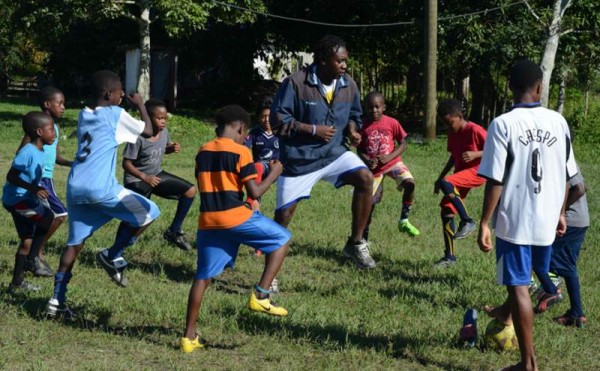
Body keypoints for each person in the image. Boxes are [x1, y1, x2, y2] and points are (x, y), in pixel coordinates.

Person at [477, 59, 577, 371]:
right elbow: (566, 174)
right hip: (547, 218)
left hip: (515, 220)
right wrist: (560, 213)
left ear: (509, 87)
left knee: (518, 286)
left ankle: (528, 364)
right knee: (528, 279)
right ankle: (508, 317)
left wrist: (483, 222)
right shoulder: (558, 122)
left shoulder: (502, 124)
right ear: (539, 87)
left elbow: (495, 179)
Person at [45, 70, 160, 318]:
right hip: (100, 187)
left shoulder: (84, 115)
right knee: (150, 212)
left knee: (74, 243)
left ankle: (56, 301)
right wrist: (140, 105)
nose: (122, 96)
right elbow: (149, 132)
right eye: (119, 92)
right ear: (109, 94)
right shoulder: (115, 114)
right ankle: (112, 255)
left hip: (76, 187)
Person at [181, 105, 290, 353]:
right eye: (244, 133)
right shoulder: (242, 151)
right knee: (282, 239)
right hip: (234, 216)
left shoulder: (202, 151)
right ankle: (261, 295)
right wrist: (273, 173)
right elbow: (255, 192)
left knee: (202, 277)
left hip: (208, 220)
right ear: (241, 128)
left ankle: (188, 337)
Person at [270, 34, 375, 269]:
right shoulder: (296, 83)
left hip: (333, 153)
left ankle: (356, 244)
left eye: (345, 61)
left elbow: (355, 115)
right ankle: (270, 277)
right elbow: (278, 121)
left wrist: (352, 129)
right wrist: (312, 129)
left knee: (365, 178)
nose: (345, 66)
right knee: (283, 218)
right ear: (324, 60)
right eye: (340, 61)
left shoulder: (348, 84)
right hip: (300, 160)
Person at [122, 98, 196, 251]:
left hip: (156, 175)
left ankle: (174, 231)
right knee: (139, 216)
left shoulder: (164, 133)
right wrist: (144, 177)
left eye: (165, 118)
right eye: (159, 118)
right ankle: (124, 243)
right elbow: (126, 164)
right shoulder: (138, 137)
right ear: (148, 118)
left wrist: (171, 148)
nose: (163, 122)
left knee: (190, 191)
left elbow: (162, 149)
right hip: (136, 179)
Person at [17, 87, 72, 277]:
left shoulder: (52, 128)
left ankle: (34, 249)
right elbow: (21, 153)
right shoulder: (38, 126)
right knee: (59, 213)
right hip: (39, 179)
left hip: (47, 178)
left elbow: (56, 156)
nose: (63, 107)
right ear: (48, 104)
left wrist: (72, 163)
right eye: (60, 103)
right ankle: (37, 251)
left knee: (52, 216)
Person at [3, 112, 56, 292]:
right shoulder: (28, 152)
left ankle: (16, 283)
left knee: (27, 240)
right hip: (17, 200)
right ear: (40, 131)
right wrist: (33, 189)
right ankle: (33, 260)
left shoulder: (40, 150)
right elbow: (11, 175)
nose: (54, 133)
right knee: (47, 216)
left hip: (23, 198)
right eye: (51, 129)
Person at [357, 91, 419, 240]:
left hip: (393, 163)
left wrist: (390, 156)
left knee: (410, 183)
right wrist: (367, 160)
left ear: (384, 107)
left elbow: (403, 143)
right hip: (374, 170)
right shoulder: (363, 126)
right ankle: (363, 238)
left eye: (377, 107)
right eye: (370, 107)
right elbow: (359, 148)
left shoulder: (392, 122)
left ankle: (404, 219)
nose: (374, 111)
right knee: (369, 205)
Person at [533, 162, 589, 326]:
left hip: (571, 221)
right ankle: (576, 313)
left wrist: (560, 213)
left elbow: (580, 188)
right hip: (578, 221)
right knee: (566, 265)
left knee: (538, 257)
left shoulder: (563, 160)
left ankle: (551, 291)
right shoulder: (565, 159)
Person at [433, 99, 487, 267]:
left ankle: (468, 221)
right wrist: (439, 177)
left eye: (451, 123)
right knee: (447, 209)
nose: (450, 127)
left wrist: (476, 155)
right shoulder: (452, 133)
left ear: (460, 116)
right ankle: (450, 257)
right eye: (446, 125)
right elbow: (453, 156)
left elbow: (497, 149)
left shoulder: (475, 130)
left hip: (479, 170)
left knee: (447, 183)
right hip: (460, 175)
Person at [244, 98, 279, 210]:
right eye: (263, 116)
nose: (267, 119)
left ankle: (250, 200)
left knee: (257, 166)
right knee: (257, 166)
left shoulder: (280, 132)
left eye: (269, 116)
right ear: (258, 118)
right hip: (259, 170)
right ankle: (253, 203)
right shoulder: (254, 133)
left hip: (277, 169)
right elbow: (244, 148)